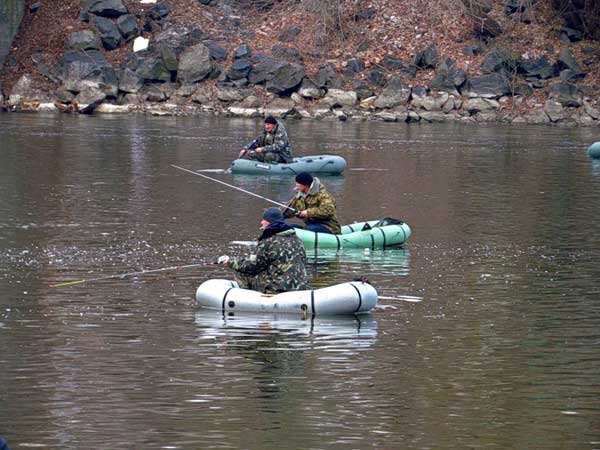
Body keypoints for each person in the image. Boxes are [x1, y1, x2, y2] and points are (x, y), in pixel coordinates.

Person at [218, 207, 310, 293]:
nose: (261, 222)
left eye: (264, 220)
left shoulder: (268, 241)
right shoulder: (297, 239)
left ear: (270, 222)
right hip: (301, 286)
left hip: (278, 288)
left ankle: (250, 300)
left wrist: (230, 262)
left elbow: (254, 266)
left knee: (240, 271)